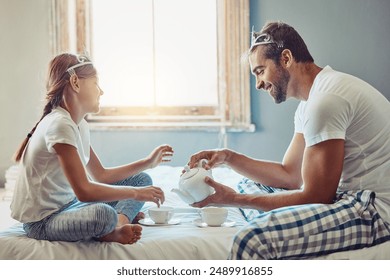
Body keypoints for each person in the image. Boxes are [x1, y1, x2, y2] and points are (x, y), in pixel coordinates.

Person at [187, 21, 390, 259]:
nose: (258, 84)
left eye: (260, 71)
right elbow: (290, 176)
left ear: (285, 58)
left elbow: (318, 196)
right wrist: (228, 157)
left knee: (251, 240)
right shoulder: (310, 104)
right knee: (247, 184)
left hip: (374, 208)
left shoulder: (326, 100)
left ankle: (270, 222)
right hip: (348, 196)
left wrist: (233, 200)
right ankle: (274, 218)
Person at [11, 53, 174, 245]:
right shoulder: (59, 124)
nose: (101, 91)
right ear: (75, 83)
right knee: (103, 214)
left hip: (70, 205)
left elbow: (101, 176)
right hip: (43, 221)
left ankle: (119, 225)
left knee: (142, 179)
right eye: (96, 83)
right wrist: (136, 194)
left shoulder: (78, 124)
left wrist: (148, 162)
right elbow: (85, 191)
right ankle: (111, 228)